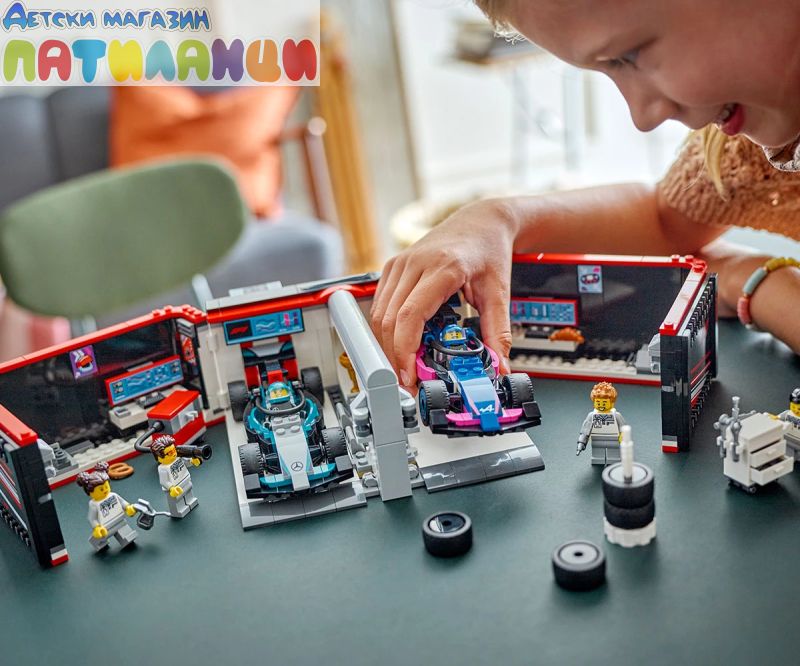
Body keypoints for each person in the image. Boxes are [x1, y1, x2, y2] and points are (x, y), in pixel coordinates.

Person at [371, 0, 800, 392]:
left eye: (631, 54)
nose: (643, 116)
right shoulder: (743, 141)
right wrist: (497, 219)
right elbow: (666, 222)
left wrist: (762, 285)